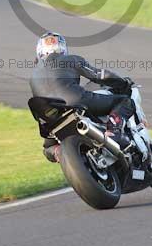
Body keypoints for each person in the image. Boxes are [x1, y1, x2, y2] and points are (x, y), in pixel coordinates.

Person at [30, 31, 134, 163]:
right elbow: (99, 75)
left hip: (50, 117)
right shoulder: (71, 59)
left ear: (39, 51)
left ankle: (59, 152)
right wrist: (123, 83)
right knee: (125, 101)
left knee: (48, 148)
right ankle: (113, 132)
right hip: (76, 101)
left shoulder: (33, 76)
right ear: (62, 48)